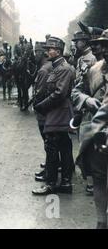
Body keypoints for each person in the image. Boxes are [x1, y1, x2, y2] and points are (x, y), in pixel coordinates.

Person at [32, 37, 76, 195]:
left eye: (50, 49)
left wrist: (41, 106)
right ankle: (65, 183)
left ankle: (50, 184)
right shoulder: (58, 67)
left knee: (52, 147)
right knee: (63, 146)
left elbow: (59, 93)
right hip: (59, 111)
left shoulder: (63, 68)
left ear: (57, 51)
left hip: (59, 112)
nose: (47, 51)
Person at [74, 29, 108, 228]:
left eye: (106, 44)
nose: (103, 49)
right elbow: (76, 91)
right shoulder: (94, 69)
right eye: (103, 45)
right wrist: (86, 100)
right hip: (97, 136)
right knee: (98, 178)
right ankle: (101, 222)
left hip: (99, 131)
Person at [71, 31, 97, 195]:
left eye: (78, 41)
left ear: (85, 41)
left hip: (94, 107)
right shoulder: (80, 58)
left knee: (90, 146)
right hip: (84, 105)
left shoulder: (93, 59)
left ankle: (93, 181)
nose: (75, 44)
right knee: (85, 145)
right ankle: (91, 180)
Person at [33, 40, 53, 182]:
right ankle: (49, 168)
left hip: (44, 111)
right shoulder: (49, 66)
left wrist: (36, 105)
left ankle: (49, 173)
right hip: (50, 110)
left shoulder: (44, 69)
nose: (35, 55)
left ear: (42, 53)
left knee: (48, 143)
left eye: (36, 52)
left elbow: (39, 93)